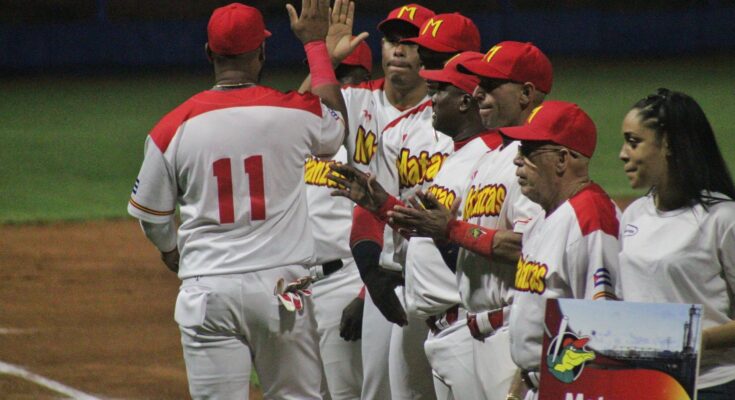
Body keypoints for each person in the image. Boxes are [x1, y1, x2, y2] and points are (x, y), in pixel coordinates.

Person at [126, 2, 348, 398]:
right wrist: (315, 45)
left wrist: (170, 249)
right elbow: (336, 125)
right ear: (262, 53)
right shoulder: (293, 112)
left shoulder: (171, 127)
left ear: (209, 54)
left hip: (209, 288)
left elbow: (153, 218)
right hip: (284, 287)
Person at [388, 41, 551, 400]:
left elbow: (532, 249)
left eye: (491, 85)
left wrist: (450, 229)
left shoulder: (532, 165)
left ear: (525, 93)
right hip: (471, 328)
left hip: (504, 331)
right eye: (479, 85)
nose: (478, 93)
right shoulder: (489, 159)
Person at [617, 89, 735, 399]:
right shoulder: (632, 215)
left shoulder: (722, 218)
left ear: (667, 143)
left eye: (633, 141)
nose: (622, 154)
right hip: (643, 385)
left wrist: (698, 340)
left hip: (709, 386)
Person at [500, 101, 620, 399]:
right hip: (537, 384)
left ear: (562, 160)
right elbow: (537, 319)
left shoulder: (590, 217)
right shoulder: (543, 217)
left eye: (528, 150)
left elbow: (602, 324)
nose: (517, 160)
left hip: (570, 388)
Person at [302, 40, 374, 400]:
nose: (344, 89)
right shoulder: (304, 134)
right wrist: (321, 57)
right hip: (295, 292)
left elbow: (387, 226)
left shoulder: (366, 146)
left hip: (343, 284)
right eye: (336, 78)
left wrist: (365, 295)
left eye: (353, 79)